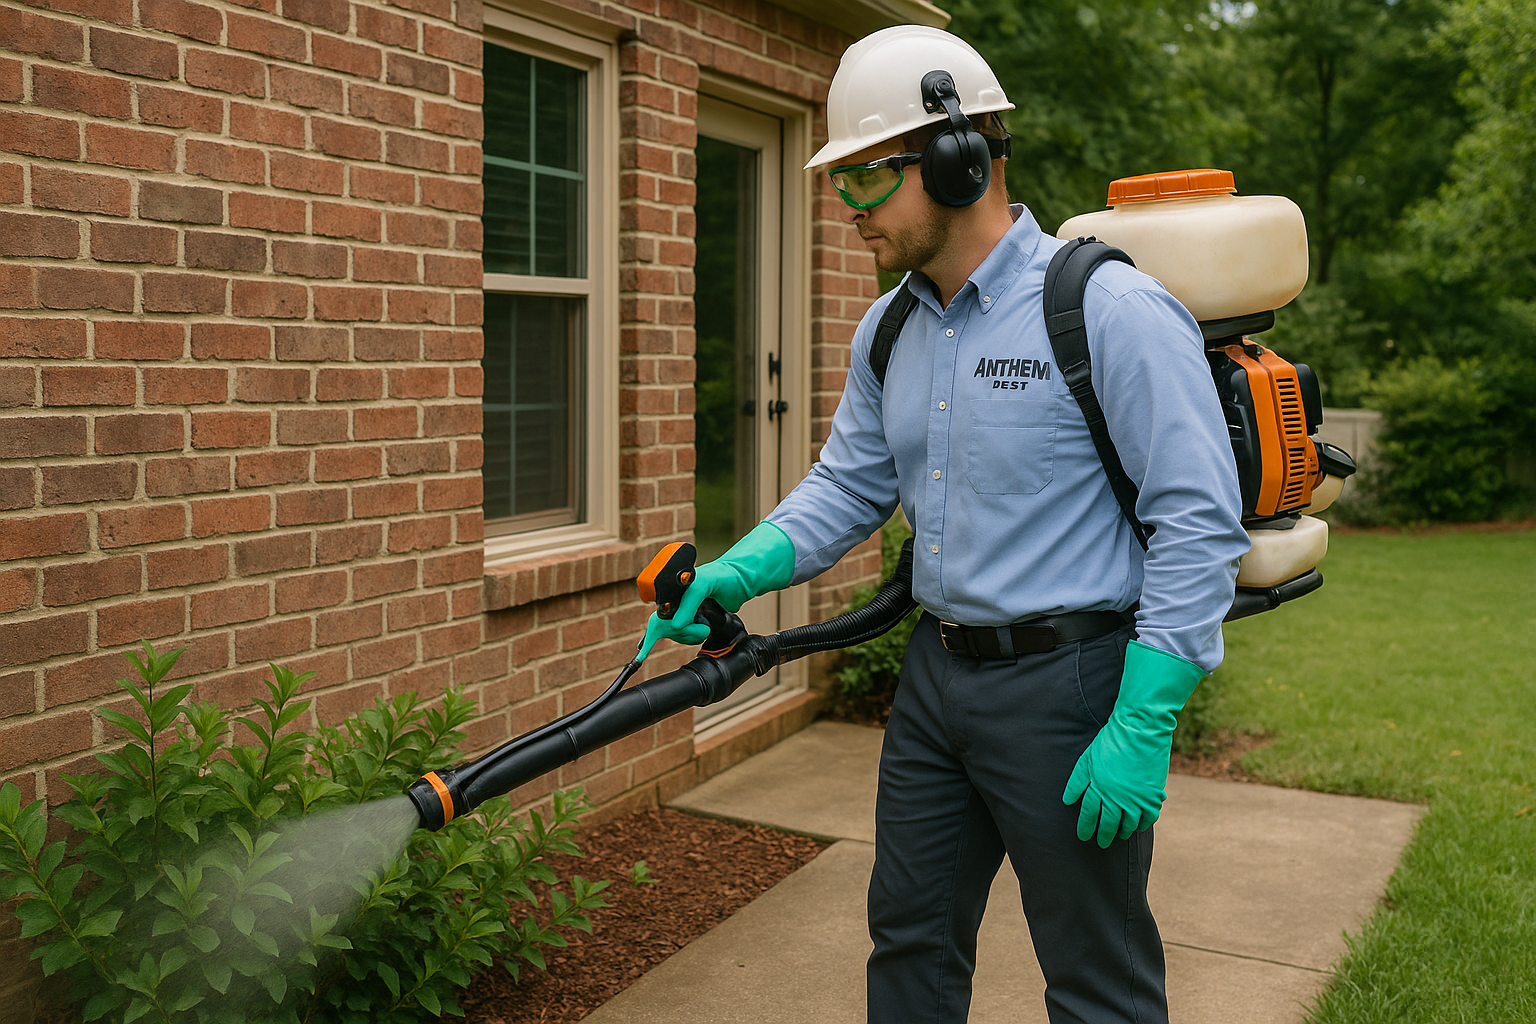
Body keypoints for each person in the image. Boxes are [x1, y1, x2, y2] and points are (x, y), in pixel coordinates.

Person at [643, 24, 1248, 1024]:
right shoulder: (889, 329)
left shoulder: (1108, 310)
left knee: (1097, 978)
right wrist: (740, 572)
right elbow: (846, 483)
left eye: (866, 181)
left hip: (1073, 685)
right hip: (936, 683)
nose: (848, 212)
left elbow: (1199, 521)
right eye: (838, 185)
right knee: (910, 939)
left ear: (960, 158)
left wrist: (1143, 719)